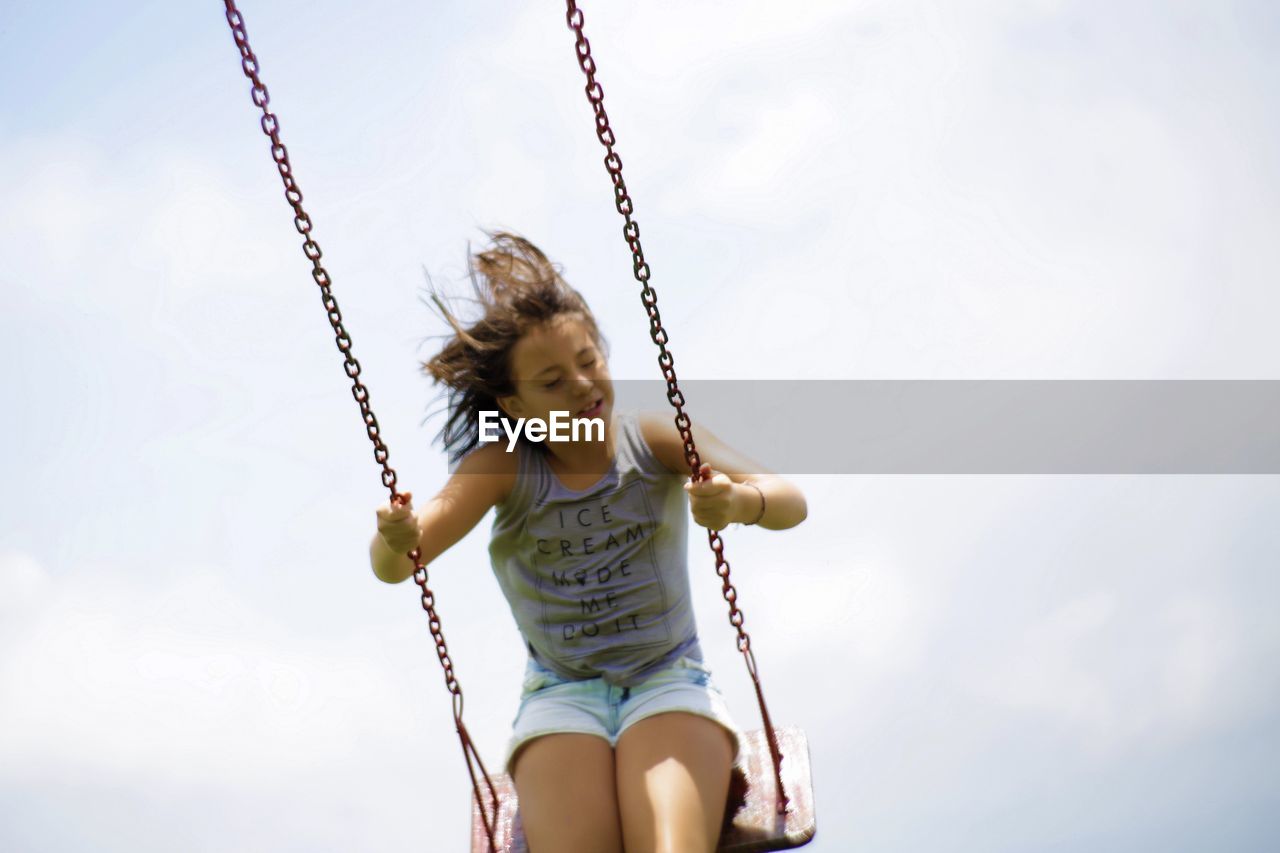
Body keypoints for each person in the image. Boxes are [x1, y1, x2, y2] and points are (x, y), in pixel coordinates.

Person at [369, 231, 807, 853]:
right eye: (552, 380)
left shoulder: (653, 439)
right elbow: (397, 564)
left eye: (588, 360)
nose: (581, 385)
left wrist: (741, 502)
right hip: (560, 696)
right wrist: (397, 536)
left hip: (669, 680)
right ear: (514, 405)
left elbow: (789, 500)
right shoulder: (502, 465)